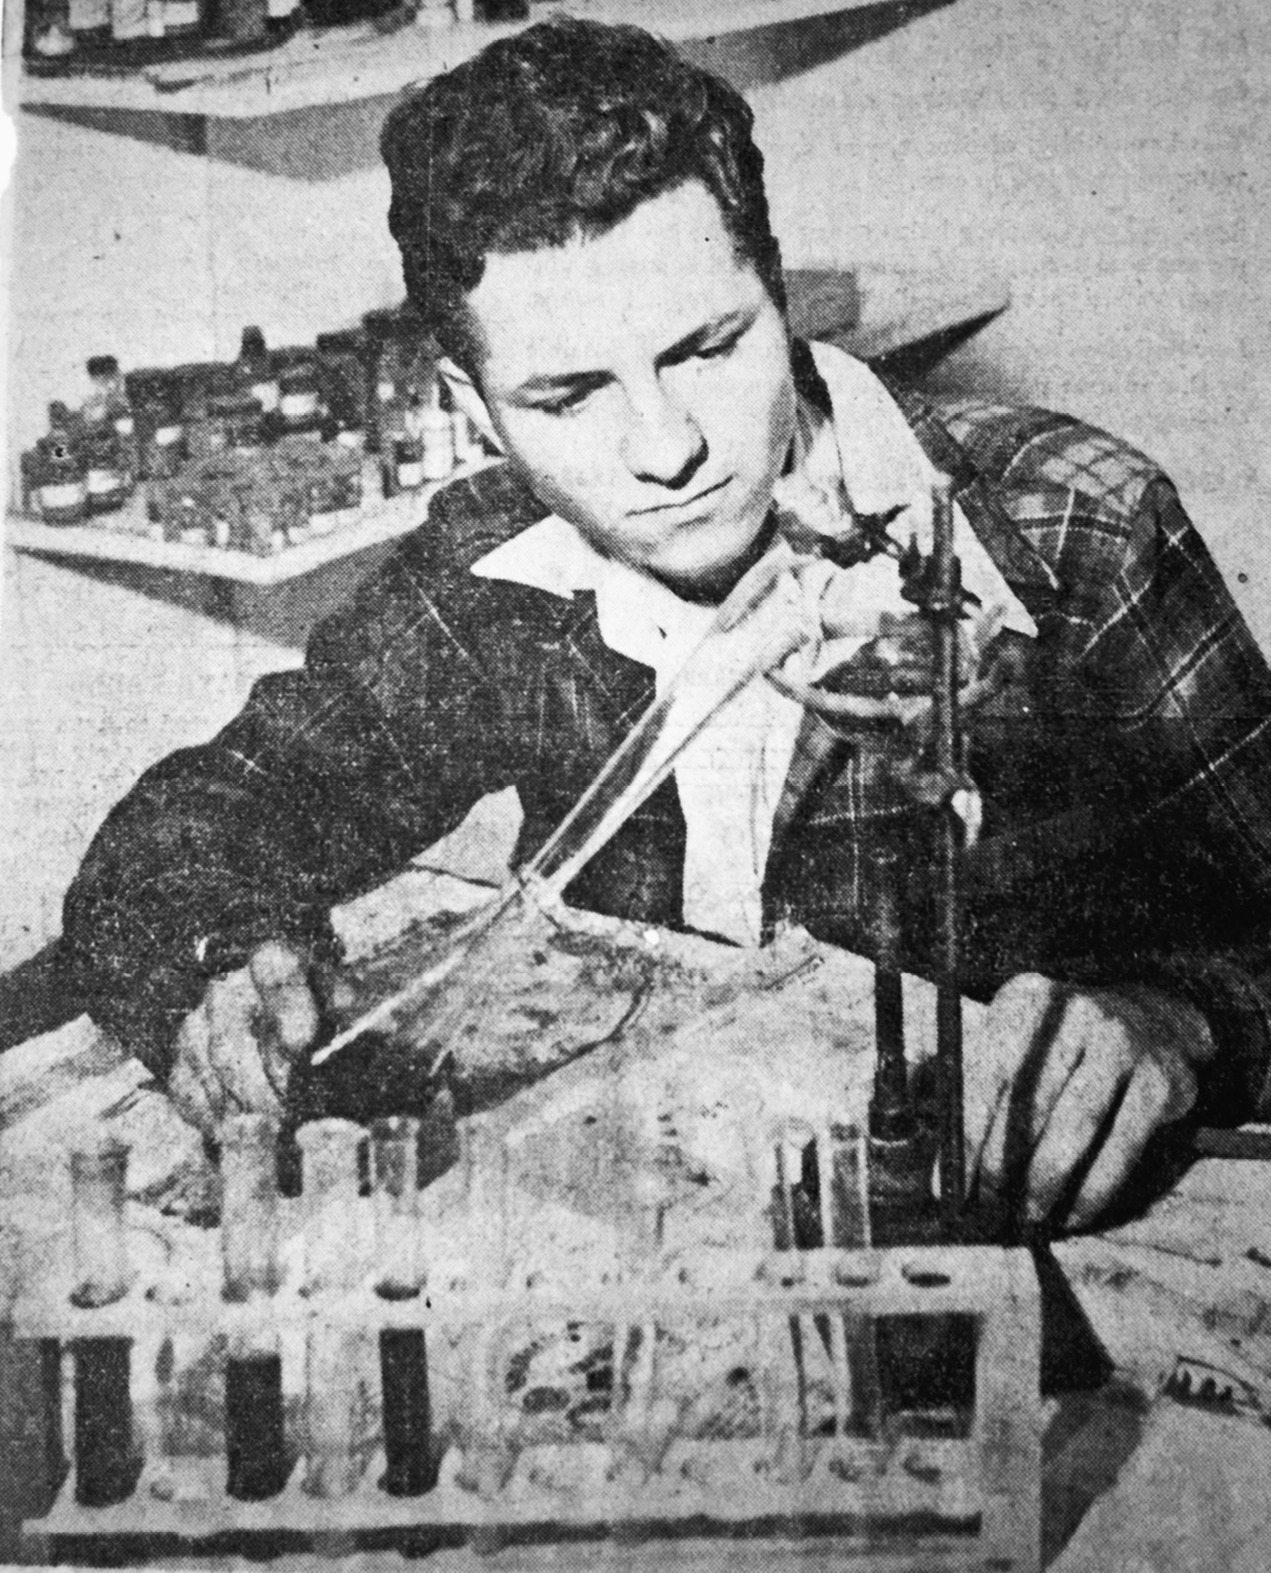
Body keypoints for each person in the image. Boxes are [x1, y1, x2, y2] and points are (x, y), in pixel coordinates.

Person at [60, 18, 1271, 1234]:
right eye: (568, 394)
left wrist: (1175, 1024)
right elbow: (208, 815)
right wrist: (216, 971)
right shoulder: (490, 573)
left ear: (779, 292)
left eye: (703, 348)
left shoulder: (1073, 531)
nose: (665, 448)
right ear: (473, 413)